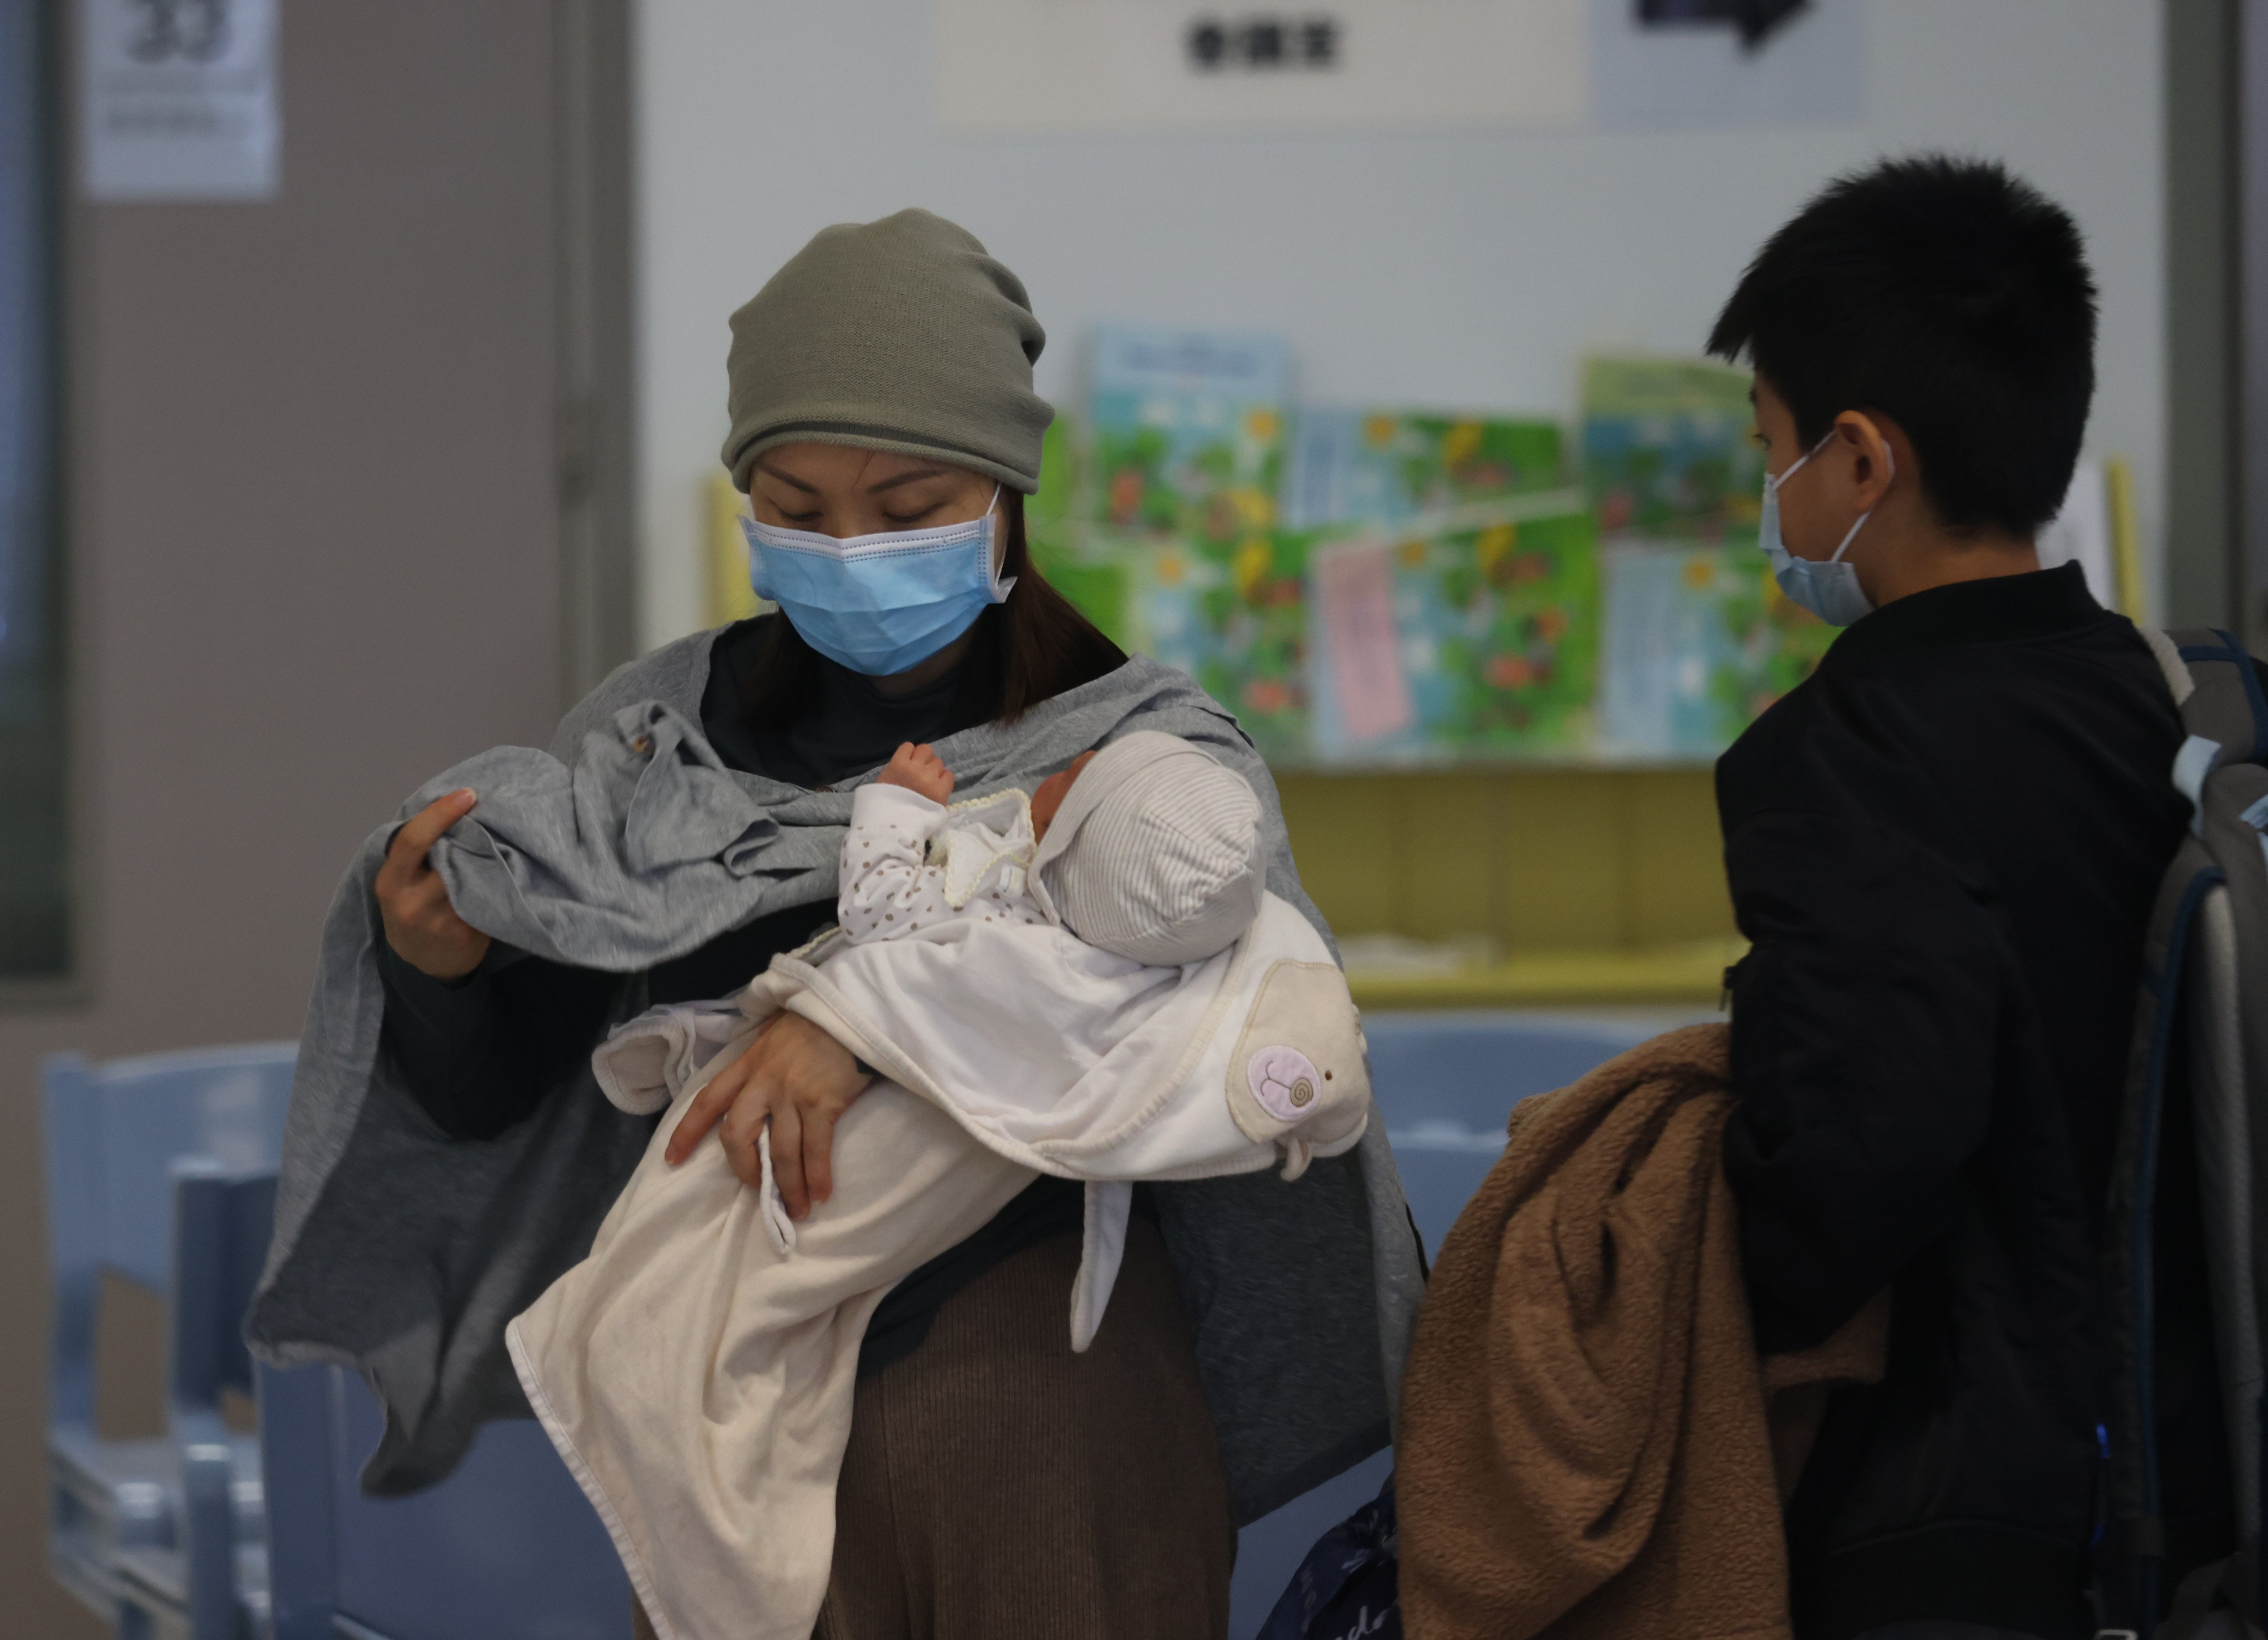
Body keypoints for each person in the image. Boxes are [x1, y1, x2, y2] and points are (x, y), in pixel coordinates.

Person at [265, 209, 1420, 1639]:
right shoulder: (650, 747)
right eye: (796, 507)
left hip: (1041, 1399)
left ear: (1004, 493)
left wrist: (869, 1025)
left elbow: (1208, 1026)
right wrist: (438, 974)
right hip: (718, 1399)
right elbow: (521, 1105)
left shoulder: (1133, 749)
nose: (847, 546)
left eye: (903, 501)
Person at [1704, 155, 2268, 1639]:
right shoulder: (2226, 706)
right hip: (2256, 1472)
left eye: (1769, 445)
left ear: (1860, 460)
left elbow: (1847, 1180)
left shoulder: (1837, 759)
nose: (1766, 492)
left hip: (1986, 1529)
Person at [510, 729, 1371, 1640]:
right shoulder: (1160, 943)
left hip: (1025, 1381)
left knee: (703, 1274)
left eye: (1075, 778)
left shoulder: (1021, 941)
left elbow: (887, 923)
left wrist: (895, 814)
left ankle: (653, 1347)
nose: (1057, 768)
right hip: (1030, 1371)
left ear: (1077, 843)